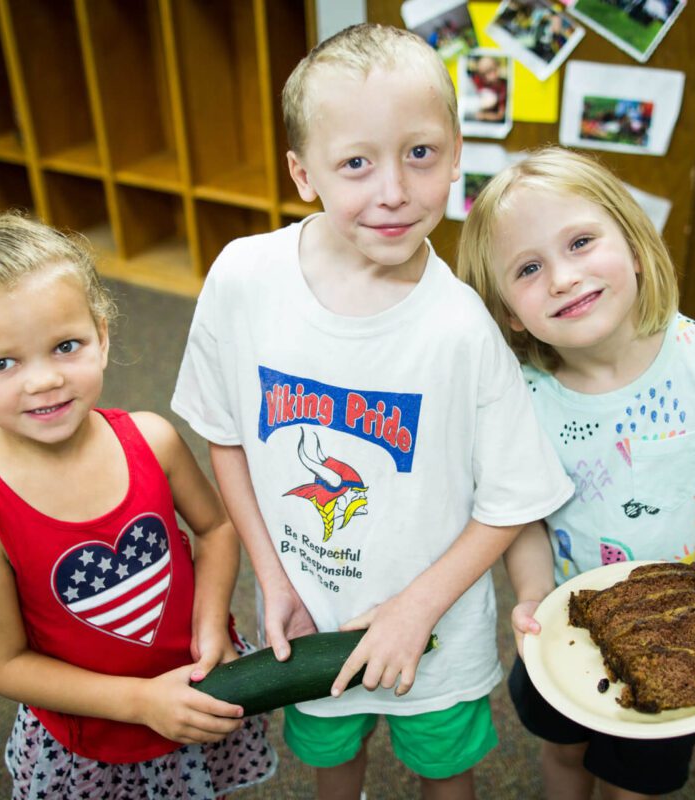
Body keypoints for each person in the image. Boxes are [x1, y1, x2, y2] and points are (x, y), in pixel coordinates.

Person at [171, 23, 573, 800]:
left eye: (420, 154)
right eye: (356, 163)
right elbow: (225, 439)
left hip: (439, 631)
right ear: (303, 172)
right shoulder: (243, 279)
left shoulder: (463, 328)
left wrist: (413, 610)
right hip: (309, 616)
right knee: (330, 764)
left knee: (444, 770)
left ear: (457, 155)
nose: (393, 190)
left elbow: (512, 500)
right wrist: (271, 574)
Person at [0, 209, 275, 799]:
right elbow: (5, 664)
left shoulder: (153, 439)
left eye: (65, 346)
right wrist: (142, 701)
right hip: (94, 742)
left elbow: (217, 528)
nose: (43, 380)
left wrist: (210, 626)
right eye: (3, 363)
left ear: (101, 335)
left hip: (198, 693)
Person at [456, 147, 695, 799]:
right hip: (567, 634)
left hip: (679, 632)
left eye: (581, 241)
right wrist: (529, 595)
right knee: (563, 759)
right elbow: (522, 517)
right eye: (529, 268)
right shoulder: (518, 402)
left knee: (632, 786)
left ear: (635, 245)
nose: (563, 276)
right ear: (508, 313)